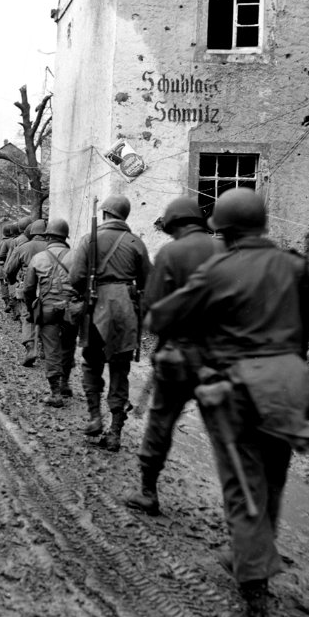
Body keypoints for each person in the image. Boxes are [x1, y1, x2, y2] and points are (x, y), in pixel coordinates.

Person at [147, 188, 309, 617]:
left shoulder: (217, 270)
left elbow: (161, 318)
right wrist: (287, 327)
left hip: (237, 391)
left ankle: (255, 613)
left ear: (225, 230)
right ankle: (248, 553)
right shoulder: (295, 266)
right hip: (289, 386)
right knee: (272, 483)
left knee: (244, 492)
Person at [124, 196, 223, 516]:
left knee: (161, 421)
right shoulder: (226, 251)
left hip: (178, 355)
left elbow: (152, 306)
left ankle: (147, 491)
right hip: (219, 359)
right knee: (227, 436)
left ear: (175, 224)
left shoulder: (170, 253)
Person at [68, 195, 151, 452]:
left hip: (95, 309)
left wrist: (91, 290)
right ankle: (115, 432)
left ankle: (94, 417)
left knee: (92, 365)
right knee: (119, 369)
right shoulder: (136, 243)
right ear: (124, 216)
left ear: (105, 213)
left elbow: (76, 278)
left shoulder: (88, 240)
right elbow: (149, 282)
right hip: (126, 312)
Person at [23, 219, 77, 406]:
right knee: (68, 347)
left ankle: (55, 394)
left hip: (47, 310)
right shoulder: (76, 256)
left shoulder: (38, 258)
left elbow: (28, 289)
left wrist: (31, 310)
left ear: (48, 237)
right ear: (64, 237)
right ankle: (65, 384)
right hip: (71, 309)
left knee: (51, 349)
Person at [5, 218, 48, 366]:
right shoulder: (52, 247)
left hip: (27, 287)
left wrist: (12, 281)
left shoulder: (22, 248)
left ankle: (31, 347)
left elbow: (9, 270)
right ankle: (44, 348)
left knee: (28, 316)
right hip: (48, 288)